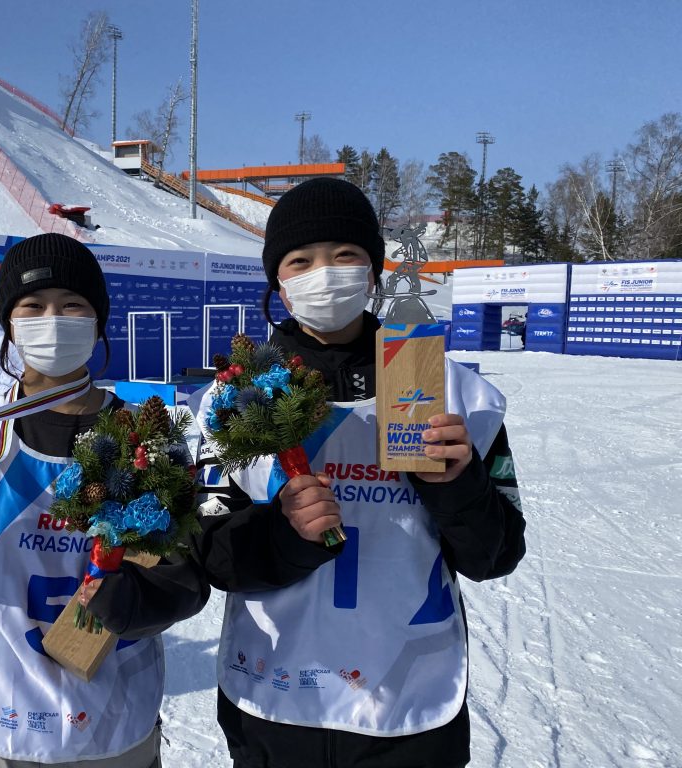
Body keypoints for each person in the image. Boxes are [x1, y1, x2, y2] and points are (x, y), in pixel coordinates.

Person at [191, 178, 526, 768]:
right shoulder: (232, 401)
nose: (325, 272)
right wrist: (285, 536)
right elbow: (213, 555)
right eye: (302, 260)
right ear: (280, 281)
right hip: (276, 700)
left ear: (373, 272)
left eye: (345, 255)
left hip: (408, 703)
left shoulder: (454, 393)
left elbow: (494, 555)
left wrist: (458, 487)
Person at [0, 233, 208, 767]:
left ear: (98, 323)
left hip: (108, 731)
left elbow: (181, 585)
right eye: (32, 306)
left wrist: (123, 599)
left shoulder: (146, 439)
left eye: (72, 305)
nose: (52, 319)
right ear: (8, 324)